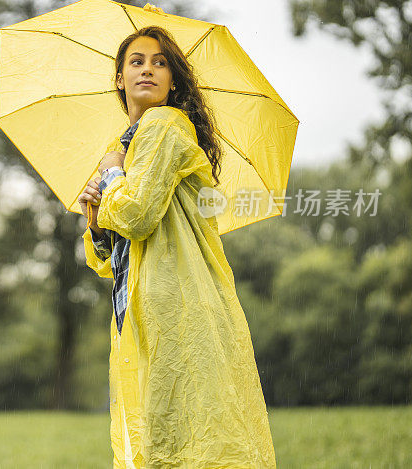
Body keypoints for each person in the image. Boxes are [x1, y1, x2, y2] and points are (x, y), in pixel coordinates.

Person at [78, 26, 276, 468]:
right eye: (136, 61)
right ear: (119, 78)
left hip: (178, 300)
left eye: (160, 62)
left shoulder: (164, 126)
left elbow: (137, 215)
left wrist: (111, 181)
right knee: (162, 436)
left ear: (173, 82)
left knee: (188, 439)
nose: (147, 69)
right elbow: (107, 260)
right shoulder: (124, 146)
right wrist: (94, 217)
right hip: (141, 308)